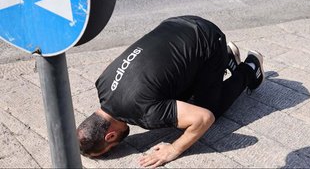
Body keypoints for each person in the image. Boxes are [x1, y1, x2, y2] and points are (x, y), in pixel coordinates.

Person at [76, 16, 264, 167]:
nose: (114, 149)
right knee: (173, 95)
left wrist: (173, 150)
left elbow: (204, 118)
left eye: (109, 149)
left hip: (210, 39)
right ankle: (225, 57)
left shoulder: (145, 113)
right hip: (177, 23)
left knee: (210, 110)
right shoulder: (102, 83)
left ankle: (250, 68)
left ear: (110, 136)